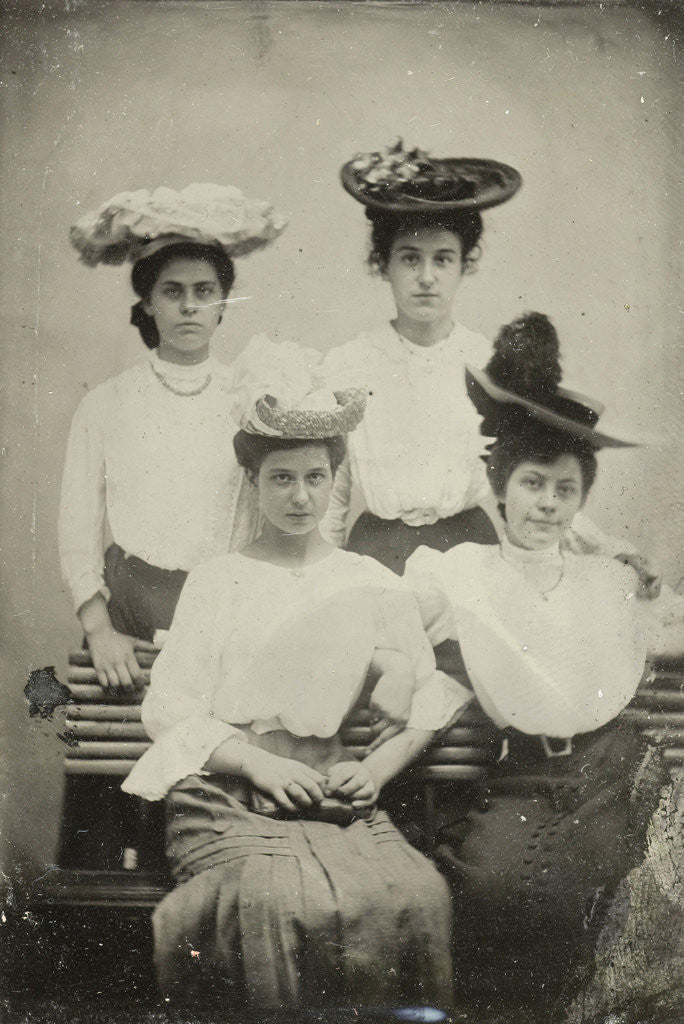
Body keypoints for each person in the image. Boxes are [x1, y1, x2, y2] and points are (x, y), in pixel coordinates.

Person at [122, 343, 468, 1011]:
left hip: (334, 796)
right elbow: (170, 708)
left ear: (337, 477)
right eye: (282, 478)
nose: (301, 496)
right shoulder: (218, 581)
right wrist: (257, 765)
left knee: (418, 894)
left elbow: (428, 691)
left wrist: (377, 771)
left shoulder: (368, 581)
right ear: (253, 480)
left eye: (316, 476)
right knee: (276, 899)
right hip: (228, 796)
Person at [403, 312, 680, 1010]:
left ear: (581, 499)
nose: (547, 505)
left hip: (609, 769)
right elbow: (401, 630)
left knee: (615, 885)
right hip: (522, 772)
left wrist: (645, 588)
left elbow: (667, 635)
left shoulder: (604, 576)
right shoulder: (462, 571)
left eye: (564, 491)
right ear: (501, 487)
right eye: (533, 484)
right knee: (491, 884)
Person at [321, 141, 661, 595]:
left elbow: (538, 471)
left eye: (443, 258)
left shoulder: (487, 365)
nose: (426, 277)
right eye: (409, 258)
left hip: (471, 558)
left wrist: (608, 548)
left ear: (465, 264)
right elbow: (332, 496)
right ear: (384, 265)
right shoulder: (348, 363)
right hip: (375, 558)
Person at [59, 183, 287, 691]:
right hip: (128, 625)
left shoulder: (251, 399)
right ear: (148, 303)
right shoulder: (106, 404)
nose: (189, 306)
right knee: (117, 758)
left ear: (222, 303)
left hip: (229, 619)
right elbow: (78, 530)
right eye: (172, 291)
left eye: (203, 291)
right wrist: (99, 630)